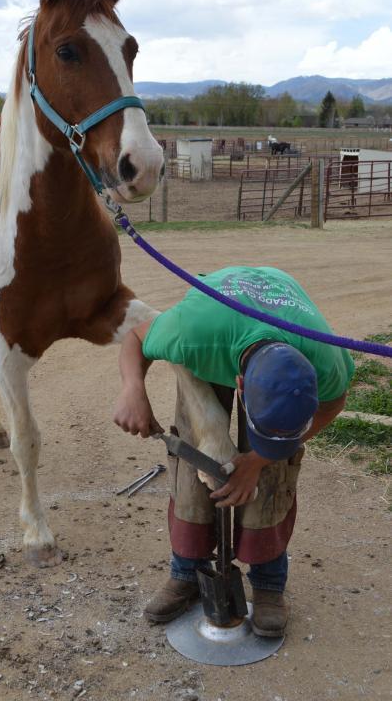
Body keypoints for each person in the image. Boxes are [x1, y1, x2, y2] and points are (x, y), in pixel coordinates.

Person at [113, 266, 354, 637]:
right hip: (217, 328)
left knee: (275, 472)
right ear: (239, 385)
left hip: (270, 311)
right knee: (195, 455)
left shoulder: (325, 360)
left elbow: (332, 405)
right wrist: (133, 388)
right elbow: (136, 330)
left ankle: (269, 583)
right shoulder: (190, 335)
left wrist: (260, 458)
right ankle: (186, 573)